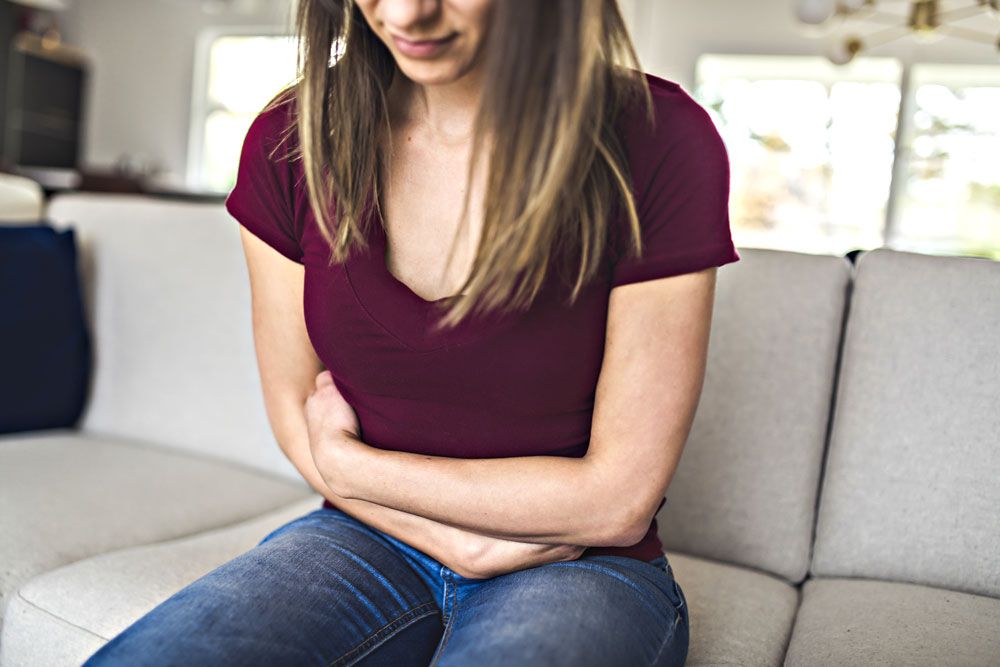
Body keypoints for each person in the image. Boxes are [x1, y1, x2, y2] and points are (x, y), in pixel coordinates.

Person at [83, 0, 741, 665]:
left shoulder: (660, 139)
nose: (406, 12)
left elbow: (616, 502)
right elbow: (294, 415)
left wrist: (353, 464)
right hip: (364, 534)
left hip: (582, 565)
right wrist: (458, 541)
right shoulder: (291, 137)